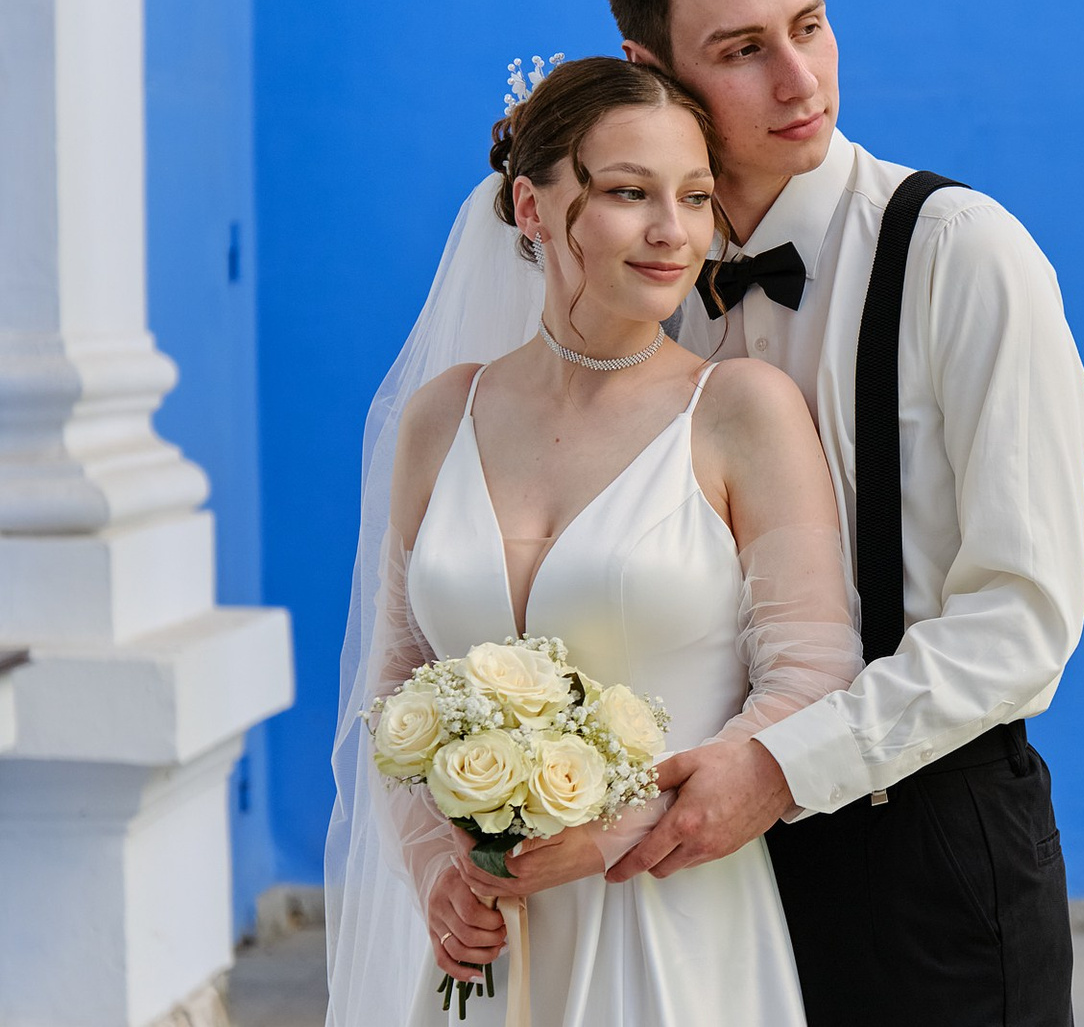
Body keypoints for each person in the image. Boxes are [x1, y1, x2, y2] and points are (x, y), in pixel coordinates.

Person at [598, 0, 1084, 1025]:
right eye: (741, 50)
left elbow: (1023, 622)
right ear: (652, 71)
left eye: (809, 27)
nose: (800, 79)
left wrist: (781, 768)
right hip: (703, 885)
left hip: (927, 862)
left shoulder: (962, 253)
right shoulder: (641, 290)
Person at [325, 55, 863, 1025]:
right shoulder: (443, 416)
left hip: (674, 932)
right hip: (488, 941)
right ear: (531, 208)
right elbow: (398, 673)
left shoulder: (741, 410)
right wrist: (435, 868)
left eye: (694, 197)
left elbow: (812, 675)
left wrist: (617, 828)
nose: (674, 232)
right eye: (628, 193)